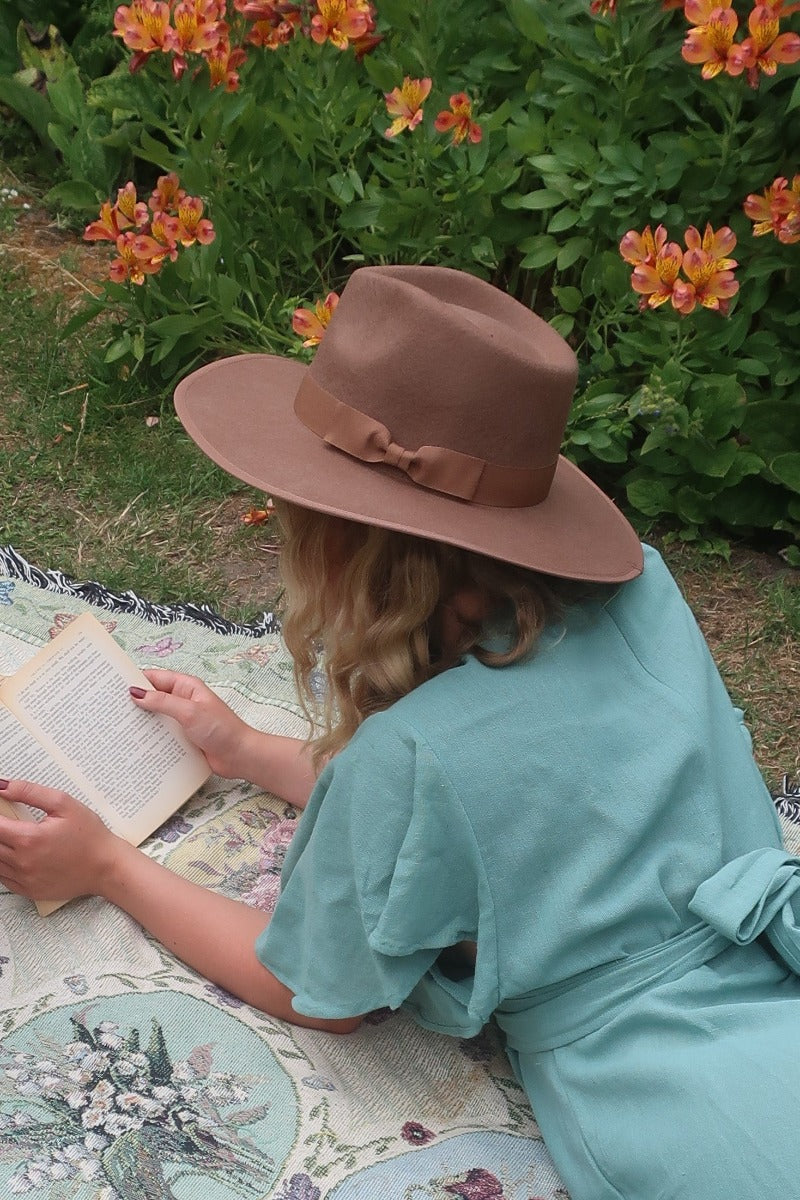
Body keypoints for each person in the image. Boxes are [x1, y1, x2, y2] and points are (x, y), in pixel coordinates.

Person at [0, 264, 797, 1200]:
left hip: (675, 1099)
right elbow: (524, 803)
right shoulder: (642, 591)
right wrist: (250, 751)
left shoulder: (409, 755)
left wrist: (108, 867)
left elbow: (314, 992)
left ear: (334, 546)